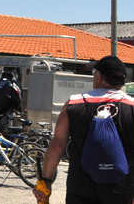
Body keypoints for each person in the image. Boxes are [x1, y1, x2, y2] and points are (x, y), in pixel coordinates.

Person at [34, 55, 134, 203]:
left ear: (99, 77)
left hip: (80, 186)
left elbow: (57, 145)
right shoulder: (132, 106)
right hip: (121, 187)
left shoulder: (74, 103)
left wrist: (46, 181)